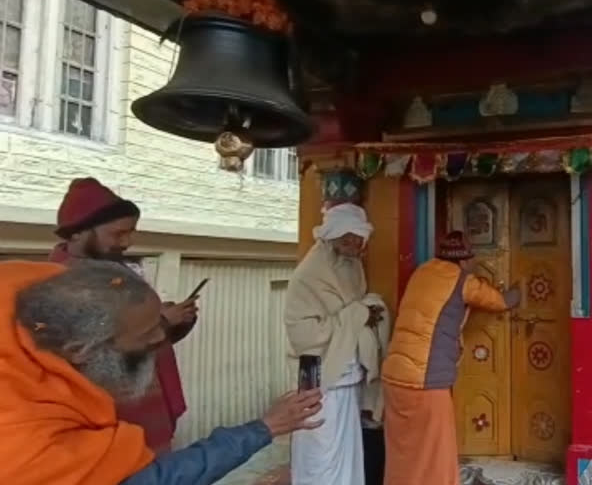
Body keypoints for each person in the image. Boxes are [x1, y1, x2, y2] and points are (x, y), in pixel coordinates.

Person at [0, 259, 323, 485]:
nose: (160, 337)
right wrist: (263, 428)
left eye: (159, 323)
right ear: (80, 351)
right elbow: (156, 479)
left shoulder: (31, 318)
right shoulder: (24, 441)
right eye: (147, 334)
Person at [49, 177, 198, 452]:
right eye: (118, 234)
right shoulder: (60, 284)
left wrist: (173, 323)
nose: (127, 242)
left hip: (147, 421)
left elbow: (136, 338)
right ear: (77, 233)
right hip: (109, 434)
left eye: (131, 232)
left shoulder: (115, 272)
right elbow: (90, 353)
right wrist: (164, 320)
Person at [381, 230, 522, 485]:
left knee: (403, 453)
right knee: (436, 456)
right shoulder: (462, 280)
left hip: (393, 376)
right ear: (466, 259)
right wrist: (518, 291)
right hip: (425, 381)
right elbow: (500, 302)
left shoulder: (421, 271)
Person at [284, 202, 384, 485]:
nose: (354, 242)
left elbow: (355, 310)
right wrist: (359, 313)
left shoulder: (353, 267)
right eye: (347, 236)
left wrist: (366, 312)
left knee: (347, 450)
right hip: (320, 378)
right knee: (320, 448)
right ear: (331, 236)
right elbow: (303, 333)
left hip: (348, 377)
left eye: (358, 236)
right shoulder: (309, 275)